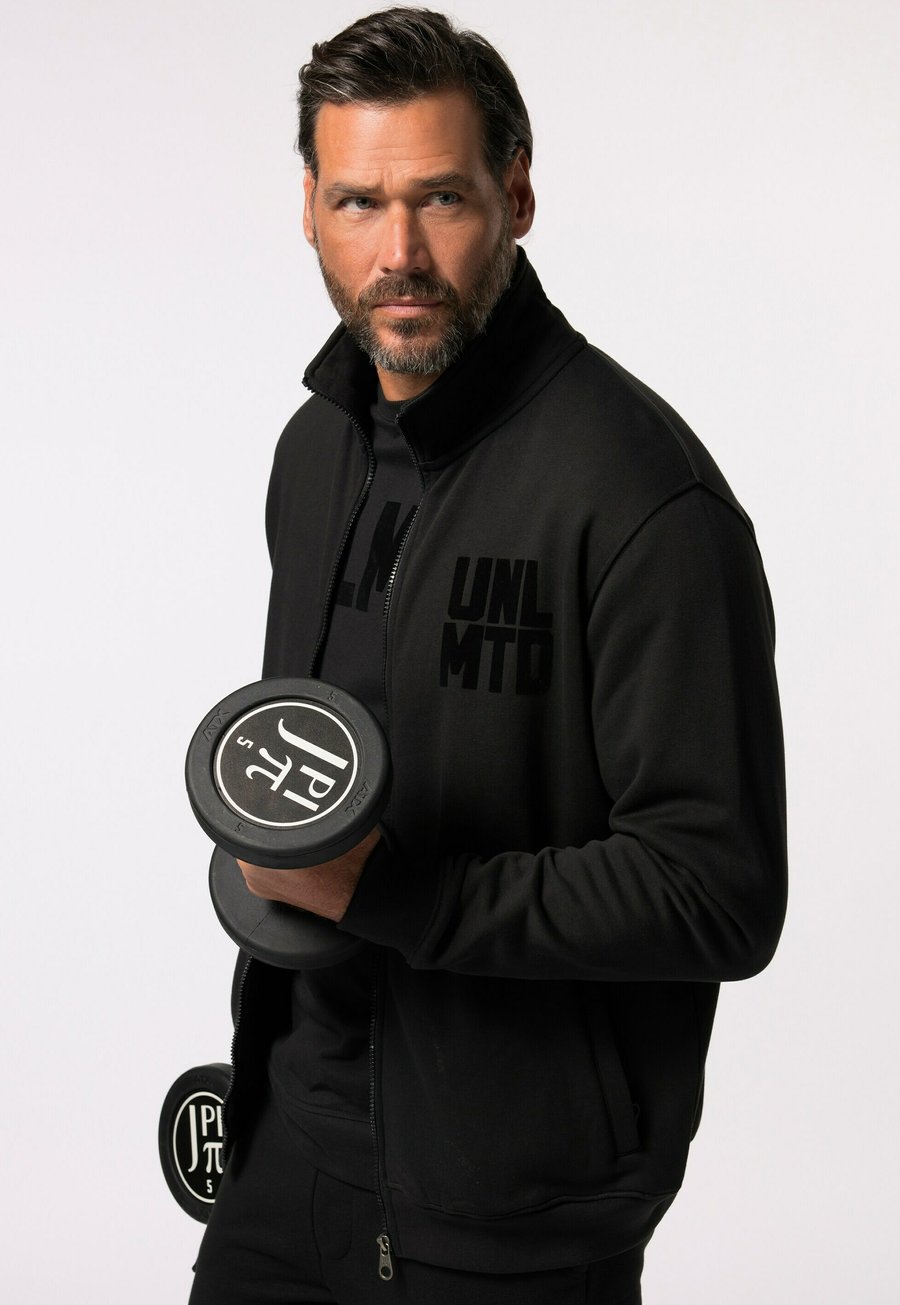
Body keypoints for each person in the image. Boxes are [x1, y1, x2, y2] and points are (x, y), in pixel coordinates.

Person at [189, 8, 787, 1303]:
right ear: (308, 209)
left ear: (516, 195)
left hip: (515, 1218)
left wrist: (403, 894)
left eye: (441, 198)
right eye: (358, 202)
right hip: (285, 1153)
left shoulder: (644, 499)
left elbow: (718, 891)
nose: (397, 253)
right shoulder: (316, 450)